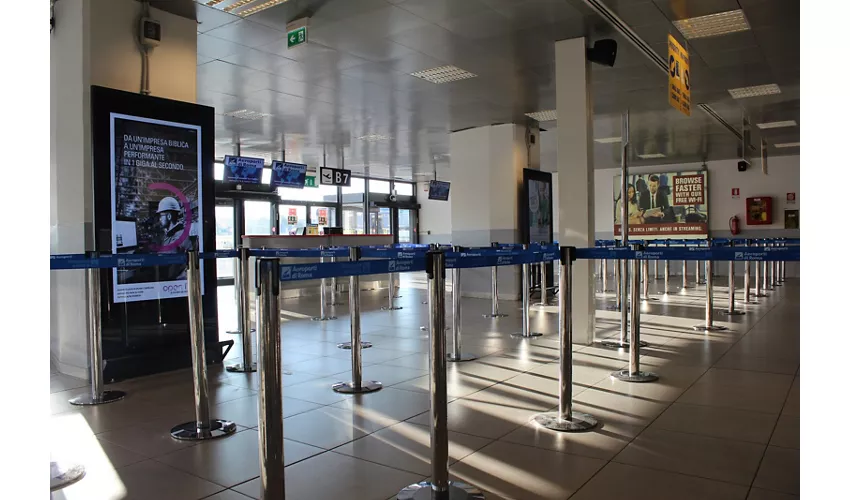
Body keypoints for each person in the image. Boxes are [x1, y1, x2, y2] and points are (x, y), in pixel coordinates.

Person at [156, 196, 192, 280]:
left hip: (174, 281)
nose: (160, 219)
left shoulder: (180, 236)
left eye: (161, 216)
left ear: (169, 216)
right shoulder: (170, 234)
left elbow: (190, 261)